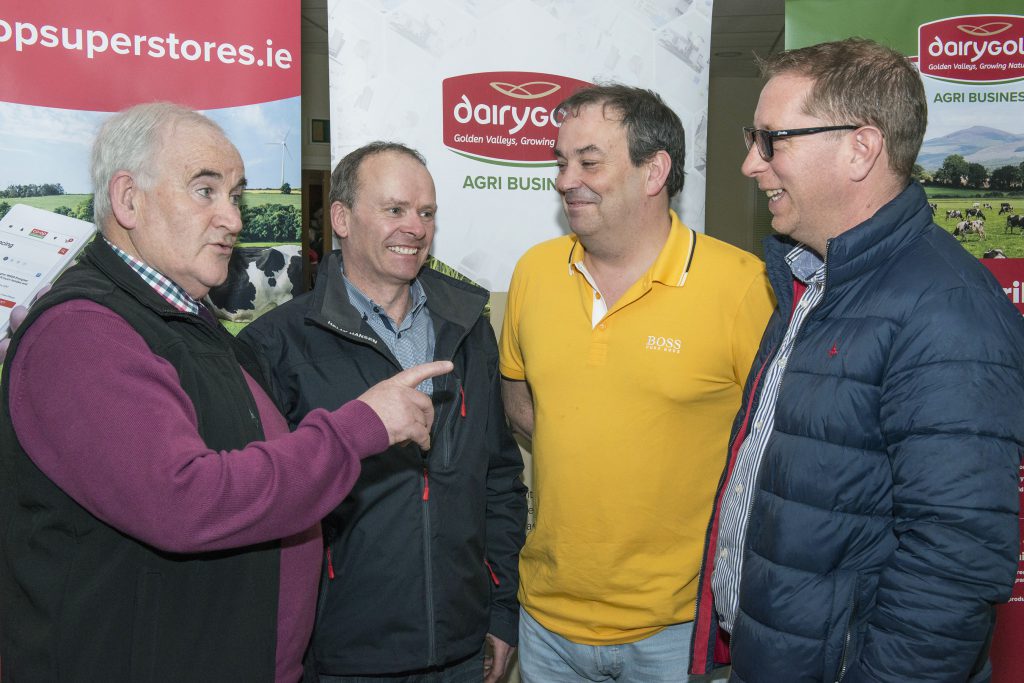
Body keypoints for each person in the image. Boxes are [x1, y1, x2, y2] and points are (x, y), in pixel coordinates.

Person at [0, 103, 452, 682]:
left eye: (235, 195)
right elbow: (184, 500)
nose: (233, 219)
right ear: (128, 200)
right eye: (205, 190)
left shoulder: (179, 318)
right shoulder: (84, 332)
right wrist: (359, 426)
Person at [689, 38, 1024, 683]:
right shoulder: (812, 280)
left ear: (861, 147)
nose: (749, 165)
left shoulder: (946, 312)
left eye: (771, 140)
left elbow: (953, 565)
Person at [499, 84, 775, 682]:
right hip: (544, 624)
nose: (566, 178)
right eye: (560, 160)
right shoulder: (534, 272)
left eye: (589, 161)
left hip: (678, 632)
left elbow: (775, 449)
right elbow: (520, 402)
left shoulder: (743, 286)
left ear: (655, 171)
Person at [239, 142, 527, 683]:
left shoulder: (468, 327)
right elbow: (265, 501)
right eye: (395, 210)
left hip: (465, 648)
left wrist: (501, 609)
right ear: (342, 218)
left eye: (426, 213)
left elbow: (499, 478)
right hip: (344, 655)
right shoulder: (275, 345)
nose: (414, 228)